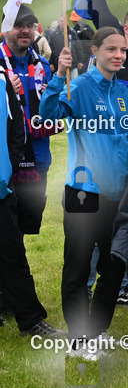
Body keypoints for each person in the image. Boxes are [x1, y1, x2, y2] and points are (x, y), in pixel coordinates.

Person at [39, 29, 128, 353]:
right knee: (78, 267)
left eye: (122, 50)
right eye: (111, 50)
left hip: (116, 194)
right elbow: (48, 116)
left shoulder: (124, 93)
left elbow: (125, 142)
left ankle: (97, 329)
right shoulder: (78, 87)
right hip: (83, 192)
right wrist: (58, 75)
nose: (118, 55)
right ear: (95, 51)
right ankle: (79, 340)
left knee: (113, 265)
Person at [0, 66, 64, 338]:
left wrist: (8, 168)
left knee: (13, 255)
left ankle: (31, 320)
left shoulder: (2, 79)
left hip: (0, 189)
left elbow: (17, 129)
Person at [0, 5, 60, 242]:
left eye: (30, 25)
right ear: (6, 29)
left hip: (37, 163)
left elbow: (55, 115)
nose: (25, 30)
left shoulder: (43, 67)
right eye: (18, 25)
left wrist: (52, 97)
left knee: (23, 230)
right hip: (4, 163)